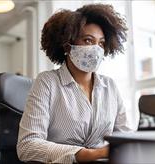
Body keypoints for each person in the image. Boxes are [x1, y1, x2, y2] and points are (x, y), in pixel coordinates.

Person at [17, 3, 132, 164]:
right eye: (88, 40)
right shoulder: (47, 82)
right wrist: (92, 154)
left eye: (101, 43)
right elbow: (27, 146)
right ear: (67, 45)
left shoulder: (110, 86)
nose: (96, 49)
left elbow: (126, 138)